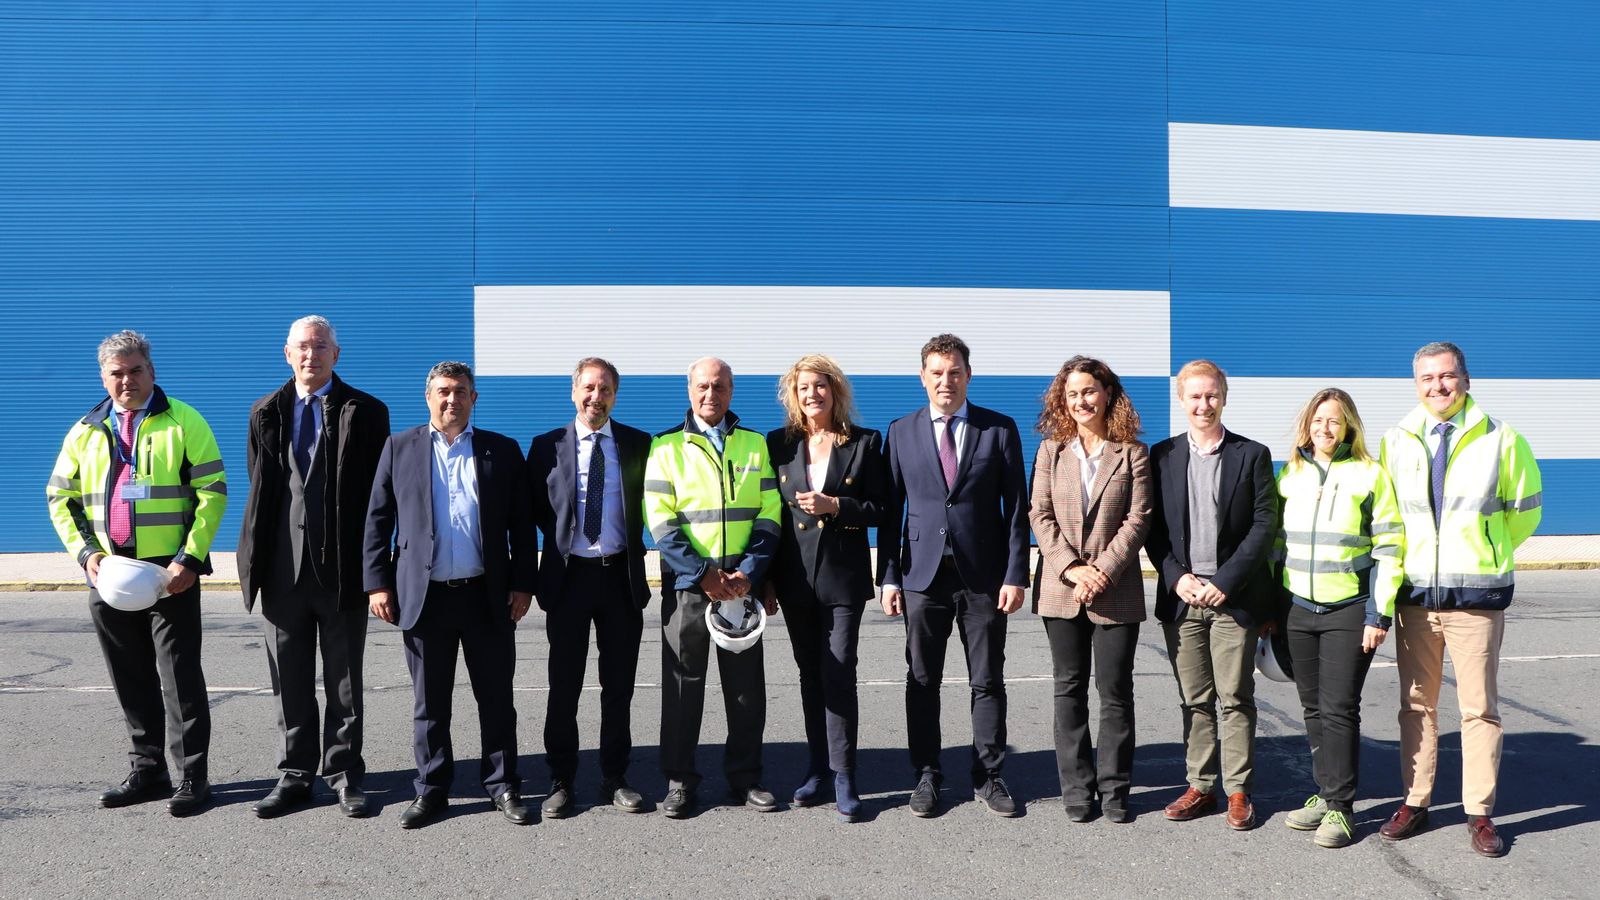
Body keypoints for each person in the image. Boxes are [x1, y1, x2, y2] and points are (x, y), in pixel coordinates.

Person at [46, 329, 228, 816]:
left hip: (170, 576)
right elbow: (59, 499)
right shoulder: (85, 430)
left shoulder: (184, 421)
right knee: (129, 676)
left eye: (135, 370)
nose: (126, 380)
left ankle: (193, 777)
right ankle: (148, 770)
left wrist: (189, 560)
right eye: (116, 373)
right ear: (104, 378)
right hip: (108, 575)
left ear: (152, 372)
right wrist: (87, 556)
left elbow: (212, 492)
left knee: (179, 678)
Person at [1377, 342, 1542, 858]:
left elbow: (1525, 511)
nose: (1437, 387)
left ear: (1466, 380)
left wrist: (1488, 550)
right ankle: (1415, 799)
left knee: (1480, 709)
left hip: (1476, 596)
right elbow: (1389, 518)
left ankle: (1479, 813)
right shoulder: (1397, 440)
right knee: (1417, 705)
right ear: (1416, 384)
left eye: (1446, 377)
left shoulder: (1502, 439)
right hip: (1416, 597)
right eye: (1427, 378)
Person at [362, 361, 536, 829]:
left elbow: (522, 525)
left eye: (461, 391)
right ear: (428, 397)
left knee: (496, 698)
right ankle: (432, 789)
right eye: (443, 391)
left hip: (488, 596)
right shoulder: (399, 448)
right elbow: (378, 521)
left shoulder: (501, 450)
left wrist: (523, 584)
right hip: (424, 598)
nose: (451, 399)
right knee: (429, 703)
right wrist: (378, 583)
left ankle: (502, 785)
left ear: (474, 398)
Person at [237, 315, 390, 819]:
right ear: (287, 354)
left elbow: (378, 499)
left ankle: (345, 773)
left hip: (342, 572)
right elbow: (262, 490)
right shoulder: (265, 411)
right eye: (303, 346)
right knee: (290, 679)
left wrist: (376, 573)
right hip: (282, 571)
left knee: (345, 680)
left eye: (321, 346)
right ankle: (296, 773)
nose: (312, 354)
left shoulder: (366, 411)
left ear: (336, 355)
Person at [879, 334, 1030, 818]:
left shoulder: (999, 430)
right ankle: (926, 775)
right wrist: (888, 578)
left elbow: (1016, 510)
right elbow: (889, 513)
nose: (946, 381)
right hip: (921, 577)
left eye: (955, 371)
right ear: (923, 376)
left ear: (968, 374)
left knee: (987, 680)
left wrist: (1015, 574)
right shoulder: (900, 431)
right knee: (922, 679)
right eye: (937, 372)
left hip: (984, 577)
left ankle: (988, 776)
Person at [644, 357, 782, 818]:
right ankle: (680, 780)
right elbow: (660, 521)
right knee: (683, 688)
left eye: (719, 386)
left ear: (731, 391)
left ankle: (746, 778)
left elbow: (769, 512)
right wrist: (703, 574)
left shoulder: (754, 444)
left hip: (741, 584)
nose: (711, 394)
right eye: (702, 386)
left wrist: (749, 572)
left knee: (745, 690)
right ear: (689, 390)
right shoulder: (665, 447)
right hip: (689, 587)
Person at [1145, 359, 1276, 831]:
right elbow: (1151, 529)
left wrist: (1226, 581)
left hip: (1232, 598)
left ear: (1224, 397)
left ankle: (1238, 790)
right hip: (1182, 597)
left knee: (1235, 696)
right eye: (1194, 396)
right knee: (1195, 698)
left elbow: (1264, 526)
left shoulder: (1252, 454)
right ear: (1181, 400)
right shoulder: (1160, 457)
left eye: (1212, 395)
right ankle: (1199, 786)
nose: (1204, 404)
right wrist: (1175, 575)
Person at [1273, 388, 1404, 848]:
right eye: (1317, 420)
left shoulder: (1371, 475)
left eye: (1334, 421)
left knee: (1339, 707)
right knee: (1311, 708)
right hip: (1297, 609)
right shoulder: (1290, 475)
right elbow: (1277, 548)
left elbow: (1389, 549)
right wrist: (1273, 610)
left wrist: (1378, 613)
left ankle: (1343, 809)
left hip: (1349, 610)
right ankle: (1324, 794)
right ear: (1306, 425)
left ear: (1349, 426)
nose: (1324, 428)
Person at [1028, 356, 1151, 824]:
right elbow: (1039, 515)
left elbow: (1138, 517)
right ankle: (1077, 789)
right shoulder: (1050, 451)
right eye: (1072, 392)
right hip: (1062, 590)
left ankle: (1116, 791)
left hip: (1115, 590)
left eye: (1089, 391)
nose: (1081, 400)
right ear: (1064, 398)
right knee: (1069, 690)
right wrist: (1073, 570)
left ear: (1107, 394)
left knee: (1116, 691)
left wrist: (1101, 570)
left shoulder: (1132, 453)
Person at [527, 358, 652, 817]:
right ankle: (561, 780)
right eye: (588, 388)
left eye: (605, 390)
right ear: (573, 392)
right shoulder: (546, 447)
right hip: (569, 579)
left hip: (620, 577)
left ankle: (615, 777)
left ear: (615, 396)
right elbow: (533, 514)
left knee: (618, 686)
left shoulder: (640, 444)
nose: (595, 398)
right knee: (565, 685)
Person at [765, 354, 887, 822]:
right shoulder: (779, 444)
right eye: (803, 389)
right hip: (795, 579)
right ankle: (817, 767)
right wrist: (770, 580)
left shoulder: (865, 443)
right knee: (808, 675)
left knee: (838, 671)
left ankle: (845, 775)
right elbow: (771, 516)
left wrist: (836, 504)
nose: (812, 394)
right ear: (793, 398)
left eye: (820, 386)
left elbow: (880, 508)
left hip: (842, 580)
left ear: (835, 390)